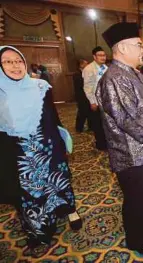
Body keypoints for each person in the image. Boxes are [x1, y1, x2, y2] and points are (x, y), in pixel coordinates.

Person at [96, 22, 143, 256]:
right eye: (138, 45)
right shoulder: (115, 78)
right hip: (133, 154)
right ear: (122, 48)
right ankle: (136, 240)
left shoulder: (134, 74)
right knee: (136, 199)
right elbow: (127, 120)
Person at [0, 46, 81, 250]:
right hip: (19, 154)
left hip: (48, 145)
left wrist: (61, 141)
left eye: (18, 60)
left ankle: (68, 210)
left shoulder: (40, 86)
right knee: (30, 192)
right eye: (7, 61)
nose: (15, 65)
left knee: (58, 181)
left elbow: (52, 117)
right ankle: (39, 228)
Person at [82, 46, 108, 150]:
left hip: (105, 100)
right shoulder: (89, 69)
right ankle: (101, 144)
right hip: (96, 101)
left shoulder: (106, 68)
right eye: (100, 55)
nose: (103, 57)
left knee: (106, 123)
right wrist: (92, 102)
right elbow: (87, 87)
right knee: (98, 124)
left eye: (104, 55)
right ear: (94, 56)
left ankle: (107, 142)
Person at [73, 58, 91, 133]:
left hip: (88, 96)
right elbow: (81, 85)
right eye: (86, 64)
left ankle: (91, 127)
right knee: (82, 112)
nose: (88, 65)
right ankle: (79, 128)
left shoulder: (86, 72)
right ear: (81, 65)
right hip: (81, 96)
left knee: (90, 112)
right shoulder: (77, 74)